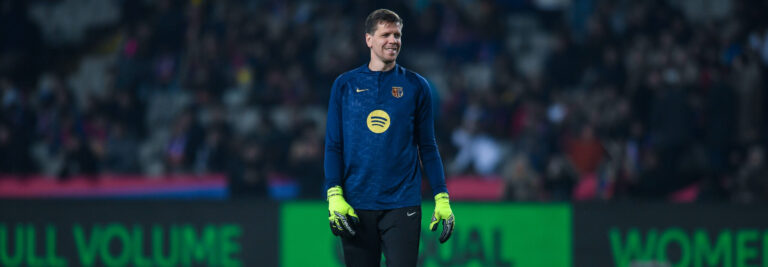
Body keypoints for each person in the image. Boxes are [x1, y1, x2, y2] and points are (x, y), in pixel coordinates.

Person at [324, 8, 455, 267]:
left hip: (402, 203)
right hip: (356, 204)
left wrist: (441, 196)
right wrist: (334, 194)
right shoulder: (344, 85)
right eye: (386, 34)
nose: (393, 40)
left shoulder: (417, 87)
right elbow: (333, 145)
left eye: (397, 35)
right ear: (369, 39)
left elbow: (428, 147)